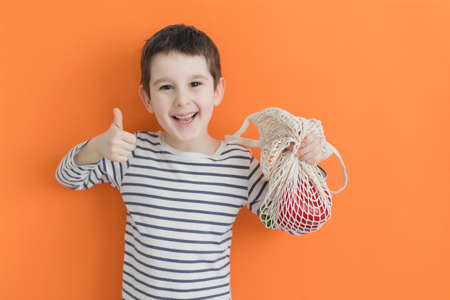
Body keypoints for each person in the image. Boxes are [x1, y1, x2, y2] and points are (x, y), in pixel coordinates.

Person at [55, 24, 328, 300]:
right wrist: (97, 147)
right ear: (147, 98)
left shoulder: (238, 164)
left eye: (195, 84)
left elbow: (295, 221)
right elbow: (67, 177)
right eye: (166, 87)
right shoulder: (131, 152)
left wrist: (305, 165)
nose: (182, 100)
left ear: (218, 90)